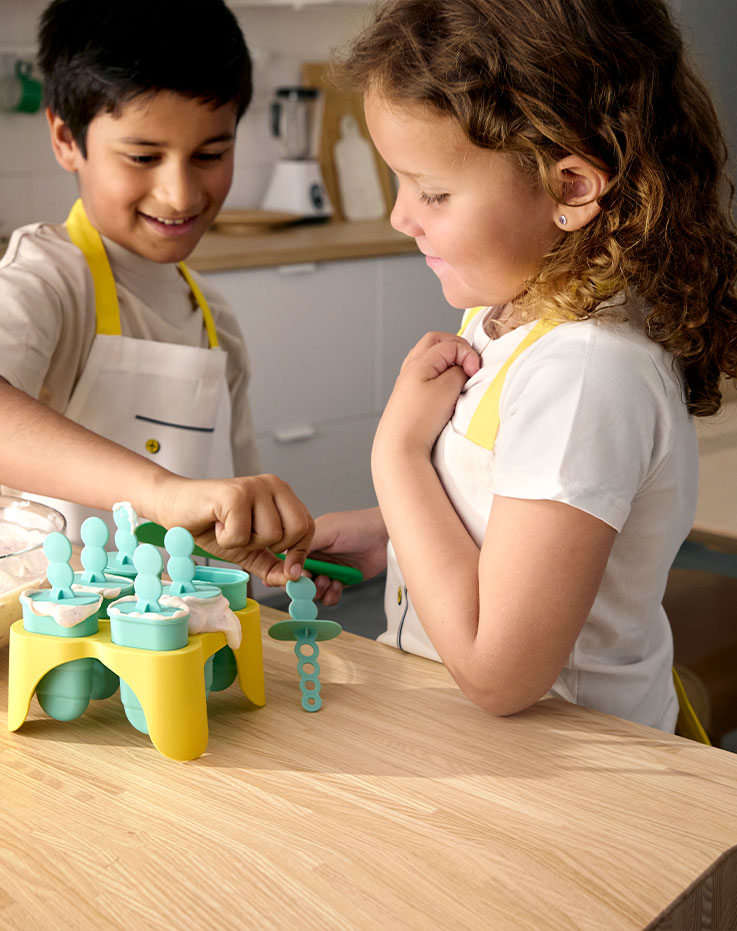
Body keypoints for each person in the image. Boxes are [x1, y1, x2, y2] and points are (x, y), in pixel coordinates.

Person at [308, 0, 737, 731]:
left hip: (566, 780)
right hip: (473, 747)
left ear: (570, 188)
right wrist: (390, 532)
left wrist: (397, 455)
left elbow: (500, 671)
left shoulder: (584, 373)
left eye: (433, 191)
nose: (400, 216)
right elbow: (526, 521)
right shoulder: (510, 312)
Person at [0, 0, 313, 584]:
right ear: (68, 139)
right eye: (144, 157)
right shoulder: (48, 279)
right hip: (47, 643)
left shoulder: (216, 320)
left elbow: (226, 518)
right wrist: (160, 492)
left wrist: (270, 556)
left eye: (211, 155)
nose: (179, 193)